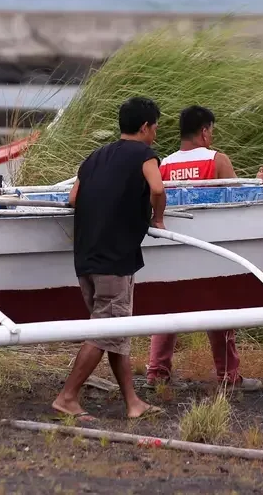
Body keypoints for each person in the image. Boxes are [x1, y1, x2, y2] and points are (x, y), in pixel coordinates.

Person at [51, 97, 167, 422]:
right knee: (106, 331)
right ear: (145, 127)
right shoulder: (144, 155)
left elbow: (74, 198)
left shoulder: (94, 158)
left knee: (113, 331)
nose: (155, 134)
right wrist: (157, 219)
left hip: (86, 256)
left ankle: (133, 402)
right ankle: (67, 396)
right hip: (115, 258)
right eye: (155, 127)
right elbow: (157, 189)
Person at [147, 105, 263, 391]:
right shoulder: (217, 160)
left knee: (167, 308)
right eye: (211, 131)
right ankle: (229, 375)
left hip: (174, 245)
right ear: (204, 131)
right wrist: (260, 182)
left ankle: (157, 372)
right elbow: (238, 199)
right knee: (220, 307)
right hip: (212, 245)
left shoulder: (164, 164)